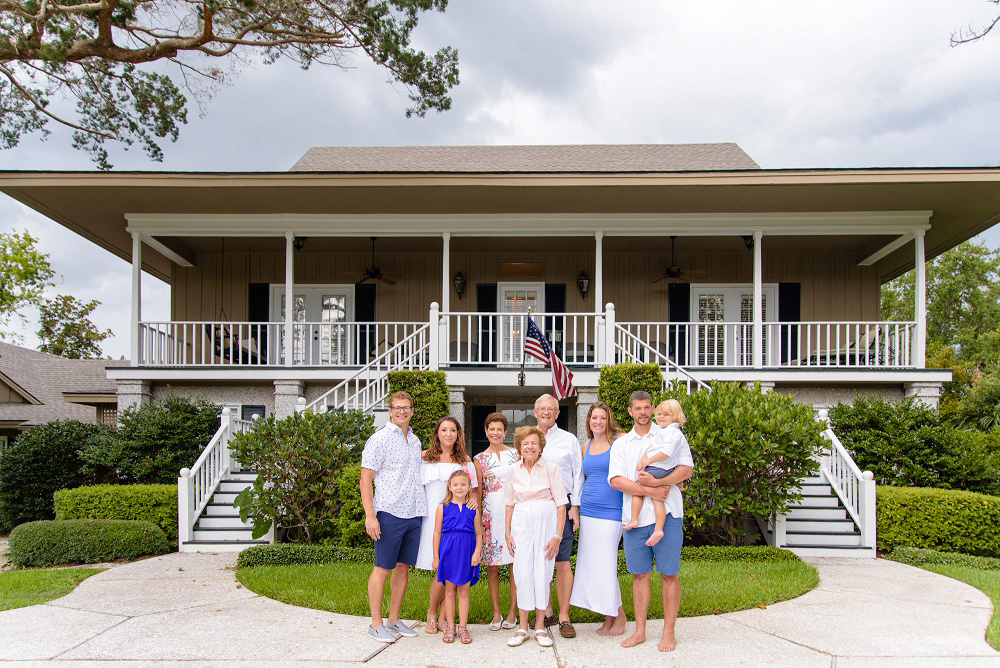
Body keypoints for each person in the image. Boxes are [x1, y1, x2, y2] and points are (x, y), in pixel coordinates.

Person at [608, 390, 693, 653]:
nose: (643, 412)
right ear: (630, 411)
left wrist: (658, 482)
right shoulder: (621, 444)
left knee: (669, 574)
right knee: (639, 575)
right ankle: (640, 631)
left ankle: (669, 633)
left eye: (647, 407)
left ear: (653, 408)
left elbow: (686, 469)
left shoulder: (669, 433)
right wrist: (650, 491)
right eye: (638, 408)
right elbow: (616, 480)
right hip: (635, 518)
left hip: (667, 515)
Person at [360, 391, 425, 643]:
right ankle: (375, 624)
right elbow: (366, 479)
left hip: (413, 513)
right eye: (397, 408)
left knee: (402, 568)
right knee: (382, 568)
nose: (402, 412)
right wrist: (370, 516)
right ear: (390, 410)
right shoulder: (379, 439)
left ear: (412, 410)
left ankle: (394, 619)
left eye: (406, 407)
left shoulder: (415, 441)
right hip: (388, 512)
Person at [503, 426, 567, 649]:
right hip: (521, 522)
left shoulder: (551, 468)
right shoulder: (513, 470)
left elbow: (561, 504)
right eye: (525, 443)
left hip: (545, 522)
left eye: (534, 443)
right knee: (522, 572)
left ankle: (539, 626)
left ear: (541, 447)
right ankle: (522, 627)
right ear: (519, 447)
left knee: (543, 571)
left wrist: (557, 535)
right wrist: (508, 533)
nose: (530, 447)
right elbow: (509, 503)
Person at [569, 401, 628, 636]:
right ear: (589, 420)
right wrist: (576, 508)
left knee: (606, 565)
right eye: (594, 418)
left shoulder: (619, 441)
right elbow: (581, 479)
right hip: (589, 511)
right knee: (594, 566)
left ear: (609, 419)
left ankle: (620, 616)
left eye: (602, 417)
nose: (598, 422)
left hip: (612, 512)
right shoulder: (586, 445)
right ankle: (608, 617)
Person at [415, 416, 478, 634]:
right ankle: (432, 614)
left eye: (453, 430)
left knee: (450, 571)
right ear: (437, 434)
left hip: (457, 519)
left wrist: (472, 501)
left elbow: (474, 490)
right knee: (441, 570)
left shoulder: (464, 460)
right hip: (433, 518)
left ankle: (445, 620)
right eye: (444, 430)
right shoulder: (424, 457)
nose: (448, 434)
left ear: (458, 434)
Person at [532, 393, 583, 639]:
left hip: (563, 506)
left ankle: (564, 616)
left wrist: (576, 506)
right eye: (542, 409)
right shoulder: (527, 438)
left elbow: (577, 474)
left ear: (557, 413)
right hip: (536, 508)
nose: (546, 412)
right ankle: (547, 612)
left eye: (550, 409)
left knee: (562, 561)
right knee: (541, 560)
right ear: (535, 412)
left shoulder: (569, 440)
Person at [472, 412, 520, 631]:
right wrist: (479, 519)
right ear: (486, 431)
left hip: (514, 512)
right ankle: (496, 612)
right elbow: (478, 492)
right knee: (492, 566)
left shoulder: (516, 455)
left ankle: (513, 611)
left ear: (505, 432)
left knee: (513, 564)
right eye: (491, 429)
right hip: (491, 513)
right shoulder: (479, 459)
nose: (495, 433)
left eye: (499, 429)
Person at [623, 399, 686, 547]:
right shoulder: (663, 432)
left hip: (660, 468)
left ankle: (649, 525)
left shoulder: (673, 433)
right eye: (659, 414)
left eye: (666, 414)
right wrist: (643, 460)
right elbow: (651, 448)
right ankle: (639, 520)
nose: (661, 417)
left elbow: (667, 452)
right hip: (656, 467)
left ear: (676, 417)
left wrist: (649, 461)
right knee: (652, 496)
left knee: (642, 491)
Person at [432, 469, 483, 644]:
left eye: (463, 484)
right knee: (449, 590)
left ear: (469, 487)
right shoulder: (442, 507)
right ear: (450, 487)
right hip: (448, 552)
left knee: (464, 590)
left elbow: (479, 534)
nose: (459, 487)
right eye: (456, 484)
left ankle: (463, 627)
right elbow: (437, 533)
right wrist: (436, 557)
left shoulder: (473, 509)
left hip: (466, 553)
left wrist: (477, 553)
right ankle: (450, 626)